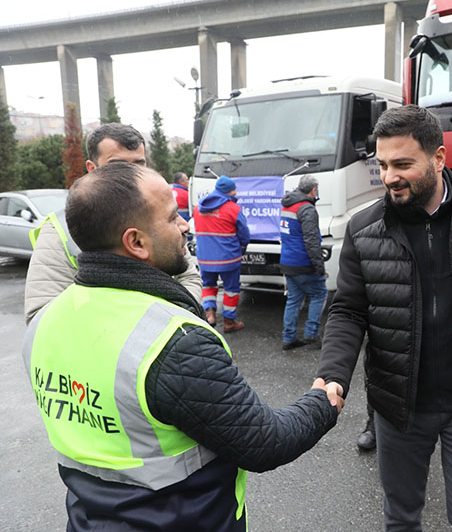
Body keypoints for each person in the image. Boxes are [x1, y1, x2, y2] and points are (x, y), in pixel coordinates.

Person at [21, 162, 342, 531]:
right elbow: (263, 441)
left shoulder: (45, 321)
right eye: (173, 217)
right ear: (136, 242)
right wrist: (322, 402)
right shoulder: (172, 343)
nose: (185, 225)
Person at [316, 105, 452, 531]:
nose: (389, 177)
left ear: (438, 159)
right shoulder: (364, 231)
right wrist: (332, 374)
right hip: (399, 407)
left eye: (402, 164)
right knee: (400, 519)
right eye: (381, 165)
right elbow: (347, 311)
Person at [24, 122, 202, 324]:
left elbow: (190, 277)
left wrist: (173, 326)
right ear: (92, 169)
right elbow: (40, 315)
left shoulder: (164, 218)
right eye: (117, 165)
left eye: (138, 164)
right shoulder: (59, 230)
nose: (130, 174)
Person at [194, 175, 250, 332]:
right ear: (230, 191)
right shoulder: (233, 209)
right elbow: (244, 234)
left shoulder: (198, 208)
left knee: (208, 285)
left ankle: (210, 314)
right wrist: (242, 248)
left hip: (205, 258)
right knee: (231, 289)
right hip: (228, 258)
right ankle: (229, 322)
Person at [279, 175, 328, 350]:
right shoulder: (307, 209)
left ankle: (289, 338)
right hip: (303, 263)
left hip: (288, 261)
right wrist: (320, 267)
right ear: (313, 190)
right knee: (319, 294)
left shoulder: (288, 204)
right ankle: (311, 334)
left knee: (293, 299)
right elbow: (311, 241)